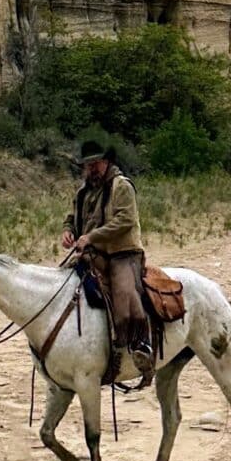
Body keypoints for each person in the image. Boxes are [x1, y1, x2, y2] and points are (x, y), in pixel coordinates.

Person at [63, 141, 154, 384]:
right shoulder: (83, 191)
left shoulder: (121, 186)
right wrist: (68, 231)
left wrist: (91, 237)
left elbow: (125, 220)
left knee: (125, 294)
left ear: (106, 162)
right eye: (88, 165)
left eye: (96, 163)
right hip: (92, 254)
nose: (92, 168)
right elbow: (72, 217)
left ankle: (141, 345)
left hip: (123, 253)